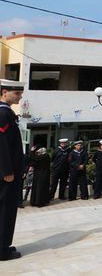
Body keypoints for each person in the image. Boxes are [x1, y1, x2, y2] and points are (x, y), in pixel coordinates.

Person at [0, 79, 25, 261]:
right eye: (17, 93)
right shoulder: (3, 114)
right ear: (4, 92)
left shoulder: (7, 113)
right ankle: (2, 250)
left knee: (6, 210)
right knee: (5, 211)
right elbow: (1, 145)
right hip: (6, 175)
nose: (19, 97)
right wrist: (7, 171)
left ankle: (4, 245)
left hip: (7, 172)